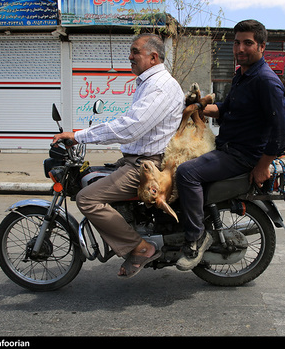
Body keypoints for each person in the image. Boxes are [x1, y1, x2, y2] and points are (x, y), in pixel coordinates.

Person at [52, 33, 185, 279]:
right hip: (137, 160)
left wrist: (80, 136)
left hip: (146, 166)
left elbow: (130, 127)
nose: (130, 57)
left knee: (87, 199)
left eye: (135, 52)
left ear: (153, 57)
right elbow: (133, 127)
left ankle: (141, 247)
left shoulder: (159, 86)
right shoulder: (148, 83)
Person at [175, 20, 285, 271]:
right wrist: (194, 106)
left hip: (241, 155)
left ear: (261, 46)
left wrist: (264, 165)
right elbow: (224, 111)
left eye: (247, 43)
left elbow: (282, 130)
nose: (240, 48)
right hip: (227, 148)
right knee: (177, 161)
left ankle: (196, 238)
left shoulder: (265, 81)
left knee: (186, 173)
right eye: (237, 43)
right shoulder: (242, 75)